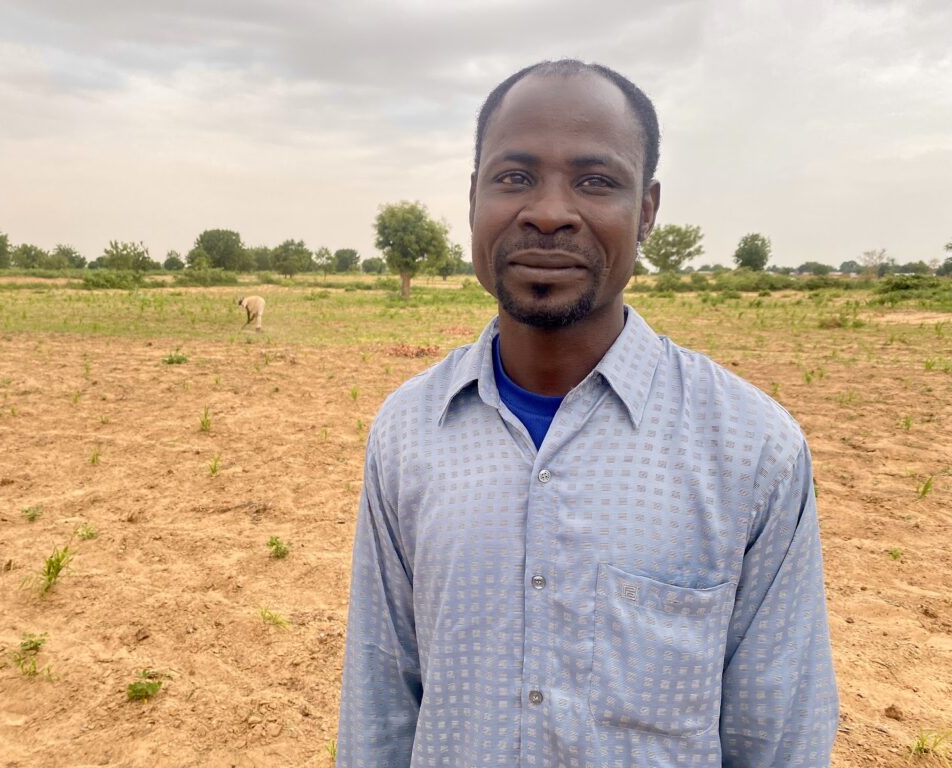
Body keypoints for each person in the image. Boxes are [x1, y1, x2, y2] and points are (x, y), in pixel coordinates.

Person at [337, 59, 839, 768]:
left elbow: (778, 733)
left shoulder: (752, 448)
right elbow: (380, 706)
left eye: (596, 181)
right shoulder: (408, 430)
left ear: (647, 211)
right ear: (472, 199)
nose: (547, 211)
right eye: (513, 178)